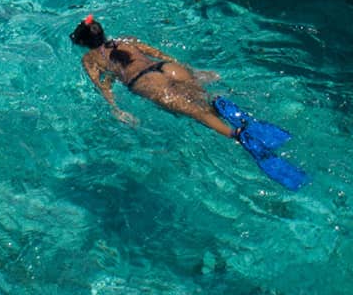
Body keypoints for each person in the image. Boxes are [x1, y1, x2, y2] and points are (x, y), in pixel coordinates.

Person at [71, 15, 305, 188]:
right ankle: (225, 106)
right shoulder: (126, 40)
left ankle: (238, 135)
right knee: (204, 98)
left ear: (83, 43)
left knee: (198, 113)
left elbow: (102, 85)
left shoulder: (89, 59)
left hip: (146, 82)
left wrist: (115, 108)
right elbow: (160, 54)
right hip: (166, 68)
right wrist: (194, 71)